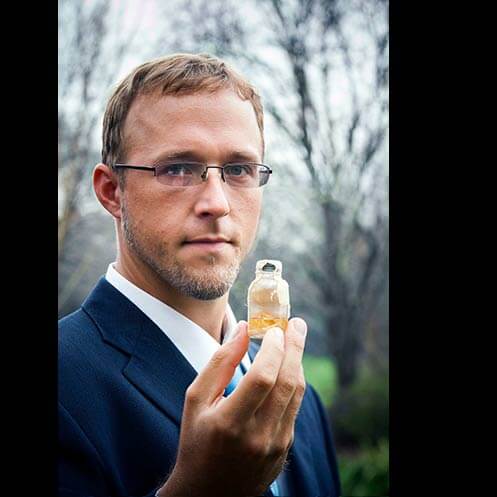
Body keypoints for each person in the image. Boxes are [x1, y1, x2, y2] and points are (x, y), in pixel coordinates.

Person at [58, 53, 341, 497]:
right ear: (112, 192)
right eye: (177, 169)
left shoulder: (299, 403)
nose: (217, 202)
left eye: (239, 170)